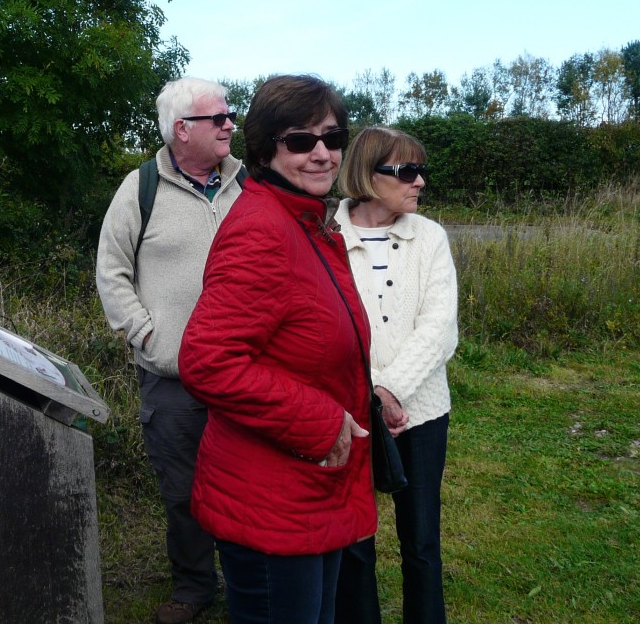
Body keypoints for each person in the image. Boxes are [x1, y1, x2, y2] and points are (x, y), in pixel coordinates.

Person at [178, 75, 377, 624]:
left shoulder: (309, 225)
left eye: (332, 139)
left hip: (312, 486)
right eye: (300, 140)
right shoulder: (263, 228)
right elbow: (208, 361)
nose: (321, 154)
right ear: (266, 149)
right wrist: (320, 420)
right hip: (272, 499)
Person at [95, 76, 245, 624]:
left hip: (243, 375)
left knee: (245, 483)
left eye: (230, 116)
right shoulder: (140, 188)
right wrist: (146, 333)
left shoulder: (247, 185)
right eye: (219, 118)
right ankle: (193, 589)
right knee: (183, 492)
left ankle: (248, 582)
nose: (231, 124)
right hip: (173, 377)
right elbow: (111, 269)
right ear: (182, 129)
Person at [333, 126, 459, 624]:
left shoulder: (429, 236)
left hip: (423, 412)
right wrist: (369, 400)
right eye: (406, 171)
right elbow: (325, 327)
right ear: (368, 174)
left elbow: (439, 327)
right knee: (354, 541)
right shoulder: (325, 236)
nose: (420, 182)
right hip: (352, 415)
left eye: (420, 170)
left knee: (422, 539)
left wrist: (388, 390)